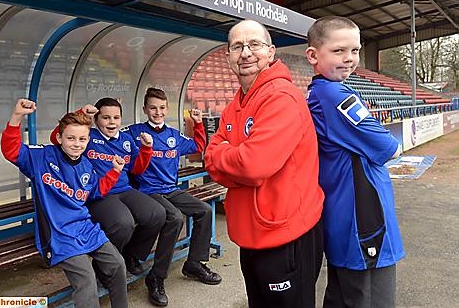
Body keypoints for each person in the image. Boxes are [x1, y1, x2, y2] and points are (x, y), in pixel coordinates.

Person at [204, 19, 324, 308]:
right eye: (237, 46)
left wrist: (231, 159)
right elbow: (210, 159)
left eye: (254, 44)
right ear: (229, 56)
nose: (246, 52)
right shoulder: (237, 103)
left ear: (270, 52)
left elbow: (253, 165)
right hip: (252, 234)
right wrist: (236, 162)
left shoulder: (280, 97)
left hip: (284, 235)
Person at [305, 16, 404, 308]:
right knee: (370, 300)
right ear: (313, 55)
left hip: (348, 218)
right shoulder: (334, 95)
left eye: (355, 50)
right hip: (363, 220)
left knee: (342, 298)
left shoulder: (325, 91)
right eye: (338, 51)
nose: (349, 59)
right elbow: (389, 148)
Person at [1, 98, 128, 308]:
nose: (76, 144)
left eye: (82, 139)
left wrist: (114, 172)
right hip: (58, 234)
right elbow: (11, 150)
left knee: (117, 264)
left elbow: (95, 192)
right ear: (59, 137)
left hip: (84, 228)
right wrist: (17, 117)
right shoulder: (42, 157)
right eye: (71, 138)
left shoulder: (87, 166)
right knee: (87, 279)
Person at [125, 87, 222, 307]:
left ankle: (194, 263)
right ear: (145, 109)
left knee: (204, 211)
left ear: (167, 109)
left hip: (171, 189)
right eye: (152, 108)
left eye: (161, 108)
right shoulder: (134, 132)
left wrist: (198, 124)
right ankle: (156, 277)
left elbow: (198, 146)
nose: (157, 112)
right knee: (175, 218)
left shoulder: (172, 135)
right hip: (148, 191)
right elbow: (113, 139)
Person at [49, 98, 166, 276]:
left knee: (156, 214)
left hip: (124, 190)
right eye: (106, 118)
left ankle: (131, 254)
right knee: (123, 223)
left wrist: (146, 149)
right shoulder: (89, 136)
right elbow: (56, 137)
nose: (112, 122)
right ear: (96, 120)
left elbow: (137, 168)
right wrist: (82, 113)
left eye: (116, 118)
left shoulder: (125, 140)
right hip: (99, 194)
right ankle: (105, 265)